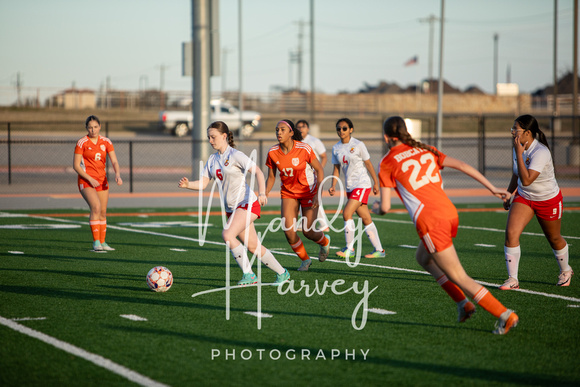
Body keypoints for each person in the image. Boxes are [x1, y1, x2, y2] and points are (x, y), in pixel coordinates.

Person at [373, 116, 518, 335]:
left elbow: (385, 207)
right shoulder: (426, 149)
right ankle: (463, 304)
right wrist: (492, 188)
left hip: (431, 220)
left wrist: (375, 208)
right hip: (449, 211)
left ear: (386, 137)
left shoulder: (387, 162)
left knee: (459, 276)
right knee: (423, 258)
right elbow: (461, 165)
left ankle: (505, 315)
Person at [178, 121, 290, 286]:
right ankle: (283, 273)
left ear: (224, 136)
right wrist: (188, 185)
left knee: (227, 235)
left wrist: (261, 193)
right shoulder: (212, 159)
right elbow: (202, 184)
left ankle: (249, 275)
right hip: (232, 209)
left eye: (213, 137)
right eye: (209, 137)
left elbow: (258, 171)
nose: (210, 140)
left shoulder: (235, 155)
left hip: (247, 203)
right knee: (253, 246)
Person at [500, 114, 572, 290]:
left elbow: (527, 180)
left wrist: (519, 152)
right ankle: (512, 279)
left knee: (554, 238)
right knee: (511, 233)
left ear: (528, 132)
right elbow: (517, 174)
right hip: (525, 197)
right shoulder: (517, 147)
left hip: (548, 200)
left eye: (516, 129)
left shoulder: (541, 152)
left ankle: (566, 270)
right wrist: (509, 194)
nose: (513, 133)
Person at [265, 119, 331, 271]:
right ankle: (305, 260)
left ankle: (324, 242)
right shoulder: (273, 152)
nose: (278, 132)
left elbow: (320, 170)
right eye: (277, 130)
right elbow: (271, 177)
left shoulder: (304, 148)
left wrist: (317, 194)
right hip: (288, 193)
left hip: (309, 191)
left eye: (282, 129)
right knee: (289, 231)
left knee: (308, 231)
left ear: (291, 133)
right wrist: (264, 193)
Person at [328, 118, 385, 259]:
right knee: (365, 217)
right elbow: (336, 169)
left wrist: (375, 183)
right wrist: (333, 185)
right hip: (350, 186)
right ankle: (379, 250)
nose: (341, 131)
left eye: (344, 128)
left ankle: (349, 249)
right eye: (338, 129)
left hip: (362, 184)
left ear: (351, 129)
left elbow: (369, 164)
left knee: (347, 213)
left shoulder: (359, 145)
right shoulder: (336, 148)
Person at [73, 115, 123, 252]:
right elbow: (76, 166)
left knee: (102, 211)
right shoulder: (82, 142)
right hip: (86, 181)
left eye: (95, 127)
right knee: (95, 207)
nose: (93, 130)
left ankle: (103, 241)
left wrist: (117, 174)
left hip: (102, 180)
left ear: (100, 127)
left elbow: (114, 161)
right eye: (90, 127)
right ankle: (96, 242)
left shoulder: (106, 141)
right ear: (86, 128)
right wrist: (90, 178)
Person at [296, 119, 329, 232]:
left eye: (303, 126)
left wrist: (319, 169)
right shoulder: (295, 141)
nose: (301, 129)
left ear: (308, 129)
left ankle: (323, 224)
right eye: (298, 127)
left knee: (314, 198)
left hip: (312, 175)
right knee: (302, 197)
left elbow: (323, 156)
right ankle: (305, 222)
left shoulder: (314, 141)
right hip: (301, 175)